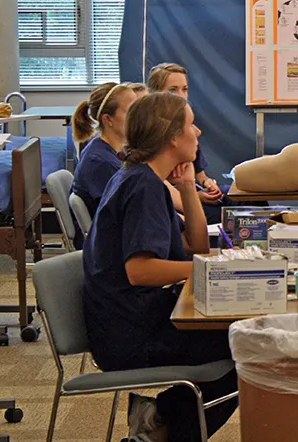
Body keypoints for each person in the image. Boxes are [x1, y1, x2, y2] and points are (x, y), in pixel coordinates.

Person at [82, 92, 238, 441]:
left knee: (243, 340)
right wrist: (213, 270)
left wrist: (185, 186)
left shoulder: (143, 177)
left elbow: (193, 246)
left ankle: (158, 419)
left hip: (136, 320)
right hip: (132, 335)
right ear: (171, 136)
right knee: (249, 343)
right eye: (190, 124)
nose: (197, 132)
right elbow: (140, 271)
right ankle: (163, 426)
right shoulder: (142, 186)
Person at [72, 82, 184, 221]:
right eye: (132, 111)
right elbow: (131, 214)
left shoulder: (115, 151)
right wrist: (180, 221)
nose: (139, 117)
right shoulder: (100, 162)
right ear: (108, 119)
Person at [148, 63, 228, 223]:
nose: (181, 95)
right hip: (176, 201)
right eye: (173, 90)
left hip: (189, 191)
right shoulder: (151, 133)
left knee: (248, 202)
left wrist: (208, 184)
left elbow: (201, 176)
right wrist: (192, 196)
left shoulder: (188, 131)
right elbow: (157, 184)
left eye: (184, 89)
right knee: (230, 217)